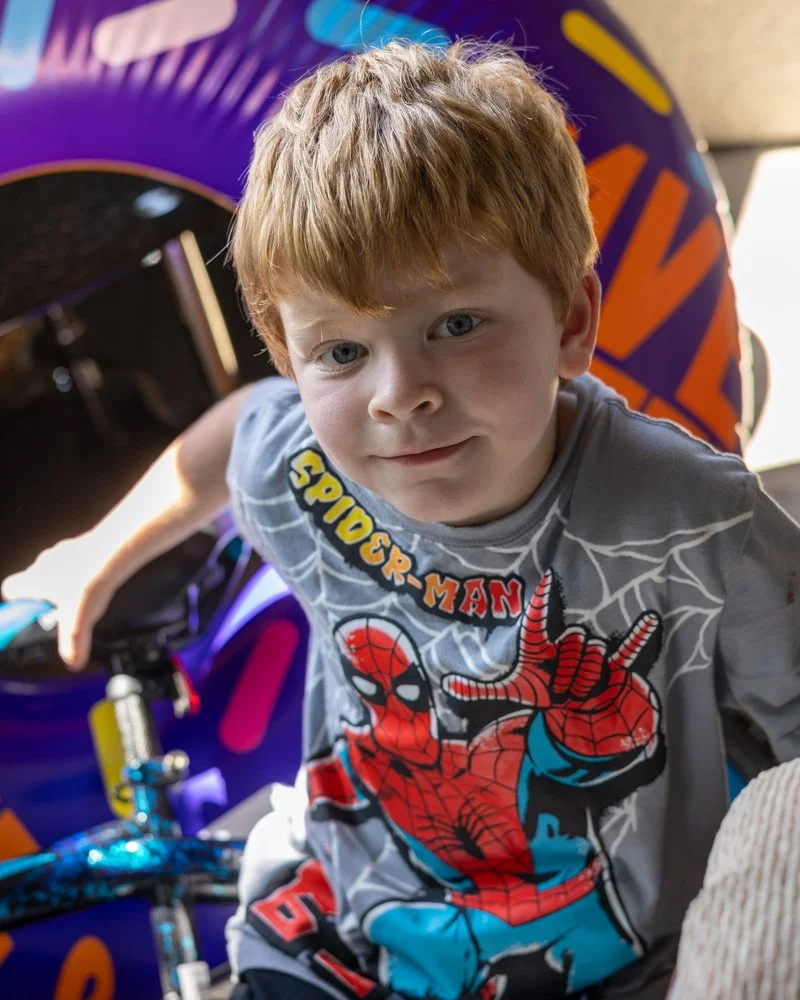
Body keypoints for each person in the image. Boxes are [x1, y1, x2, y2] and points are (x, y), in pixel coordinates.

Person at [3, 39, 800, 1000]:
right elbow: (230, 436)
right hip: (342, 929)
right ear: (291, 362)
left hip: (619, 960)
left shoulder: (684, 514)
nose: (399, 394)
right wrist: (97, 549)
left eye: (456, 325)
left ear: (574, 321)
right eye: (340, 350)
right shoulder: (303, 461)